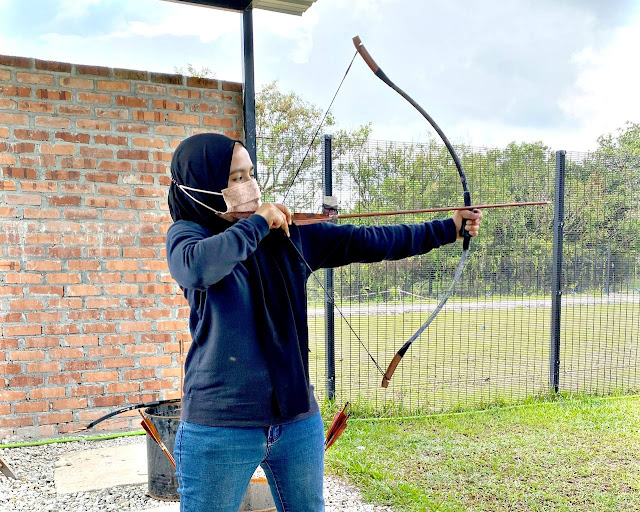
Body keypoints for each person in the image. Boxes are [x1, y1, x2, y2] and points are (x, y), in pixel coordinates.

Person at [166, 133, 482, 512]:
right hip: (219, 428)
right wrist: (258, 224)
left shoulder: (289, 236)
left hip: (296, 423)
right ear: (201, 184)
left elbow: (370, 241)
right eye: (236, 177)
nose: (249, 185)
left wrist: (447, 228)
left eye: (251, 173)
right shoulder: (190, 236)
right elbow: (199, 268)